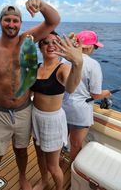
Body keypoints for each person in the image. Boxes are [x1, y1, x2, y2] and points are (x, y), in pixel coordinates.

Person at [0, 0, 61, 190]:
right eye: (7, 20)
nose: (11, 24)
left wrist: (40, 5)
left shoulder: (28, 40)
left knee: (22, 150)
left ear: (20, 23)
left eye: (15, 21)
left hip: (24, 110)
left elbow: (53, 22)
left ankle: (23, 177)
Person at [30, 31, 83, 190]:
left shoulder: (63, 68)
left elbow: (71, 87)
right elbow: (28, 92)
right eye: (45, 42)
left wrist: (77, 63)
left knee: (53, 165)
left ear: (60, 45)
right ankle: (44, 181)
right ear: (40, 47)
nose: (51, 45)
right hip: (35, 117)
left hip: (52, 121)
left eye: (55, 41)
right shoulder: (36, 68)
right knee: (39, 157)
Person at [62, 30, 111, 161]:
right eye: (95, 47)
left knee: (60, 142)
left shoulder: (64, 59)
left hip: (62, 108)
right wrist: (107, 93)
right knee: (76, 145)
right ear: (88, 47)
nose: (94, 50)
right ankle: (72, 174)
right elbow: (95, 95)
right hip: (80, 112)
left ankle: (57, 164)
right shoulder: (93, 65)